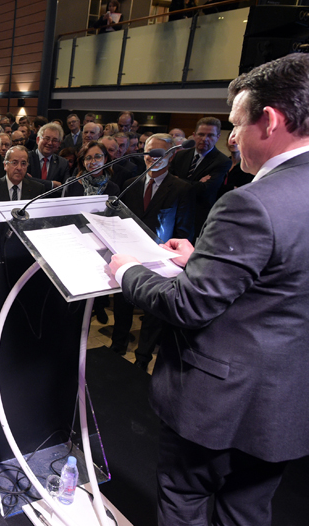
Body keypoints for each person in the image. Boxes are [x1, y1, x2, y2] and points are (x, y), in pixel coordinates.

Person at [109, 52, 309, 526]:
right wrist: (201, 259)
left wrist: (126, 271)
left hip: (221, 404)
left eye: (236, 123)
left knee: (185, 501)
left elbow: (188, 305)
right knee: (246, 512)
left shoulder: (251, 203)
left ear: (271, 120)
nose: (232, 136)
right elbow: (284, 278)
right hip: (287, 401)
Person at [106, 134, 194, 370]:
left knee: (153, 315)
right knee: (123, 309)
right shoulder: (130, 184)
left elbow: (184, 231)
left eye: (159, 153)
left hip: (160, 263)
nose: (152, 158)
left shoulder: (181, 189)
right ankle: (116, 350)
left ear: (172, 154)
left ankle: (142, 360)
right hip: (128, 259)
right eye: (148, 152)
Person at [169, 117, 231, 238]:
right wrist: (197, 183)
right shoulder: (181, 155)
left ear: (218, 137)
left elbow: (206, 190)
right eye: (201, 134)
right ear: (194, 135)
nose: (204, 139)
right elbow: (169, 182)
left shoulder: (222, 161)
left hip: (197, 217)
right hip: (174, 213)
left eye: (210, 135)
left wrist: (178, 180)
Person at [0, 145, 50, 242]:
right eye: (14, 163)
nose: (19, 168)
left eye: (23, 163)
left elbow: (40, 223)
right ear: (5, 165)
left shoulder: (37, 189)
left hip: (26, 245)